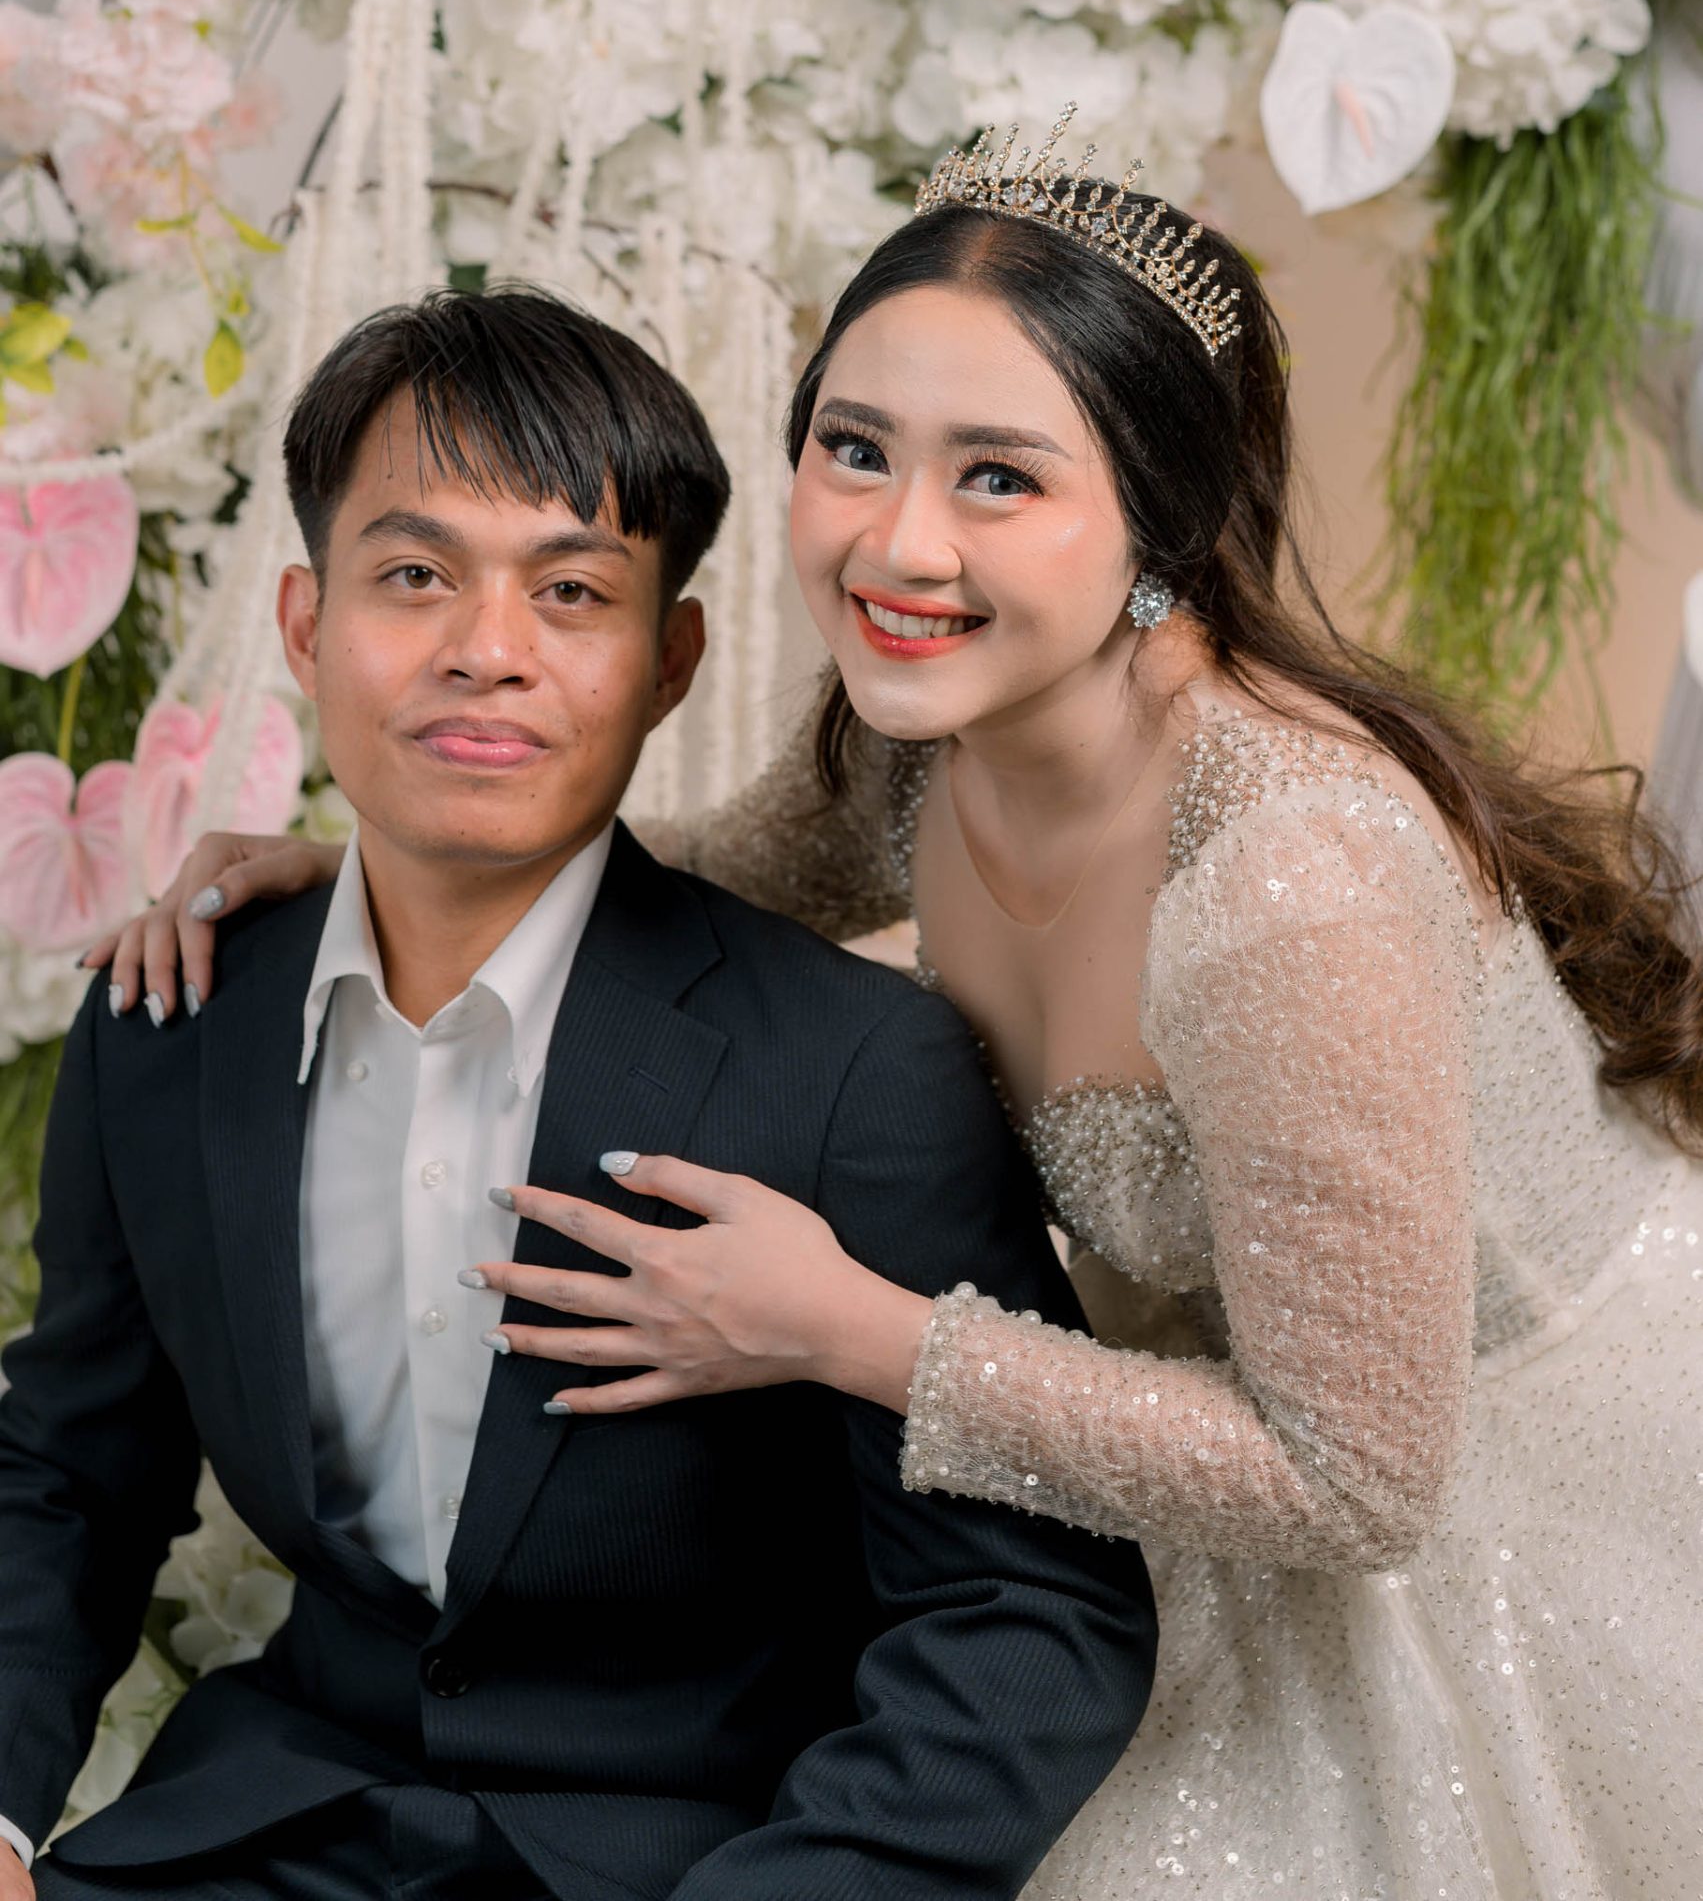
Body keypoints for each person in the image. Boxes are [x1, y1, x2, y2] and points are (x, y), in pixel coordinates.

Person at [110, 121, 1703, 1897]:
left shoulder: (1287, 888)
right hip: (1166, 1452)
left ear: (1164, 521)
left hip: (1482, 1512)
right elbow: (680, 886)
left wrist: (849, 1330)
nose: (899, 543)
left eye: (999, 479)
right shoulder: (926, 742)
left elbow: (1360, 1485)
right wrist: (373, 865)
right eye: (855, 450)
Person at [1, 284, 1160, 1901]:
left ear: (669, 661)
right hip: (270, 1827)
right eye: (415, 577)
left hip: (697, 1857)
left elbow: (1025, 1611)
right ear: (305, 626)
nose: (488, 654)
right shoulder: (171, 1022)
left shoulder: (852, 1069)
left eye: (571, 592)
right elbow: (64, 1478)